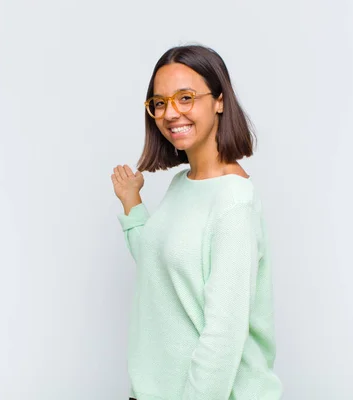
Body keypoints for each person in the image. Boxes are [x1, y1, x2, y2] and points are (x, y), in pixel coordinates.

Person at [111, 44, 283, 400]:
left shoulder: (233, 201)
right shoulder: (182, 185)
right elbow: (160, 271)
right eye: (159, 103)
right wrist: (132, 205)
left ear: (219, 100)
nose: (170, 113)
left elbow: (224, 334)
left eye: (185, 98)